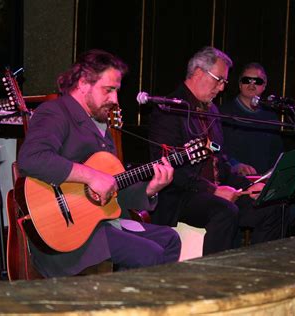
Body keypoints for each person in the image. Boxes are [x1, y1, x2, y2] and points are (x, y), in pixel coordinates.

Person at [17, 49, 181, 278]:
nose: (114, 100)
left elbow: (114, 190)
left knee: (170, 239)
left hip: (99, 225)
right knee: (150, 253)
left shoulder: (98, 127)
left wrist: (150, 189)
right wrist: (91, 176)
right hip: (66, 233)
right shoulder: (55, 112)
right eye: (109, 90)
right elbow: (31, 158)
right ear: (84, 83)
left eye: (116, 91)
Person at [148, 46, 285, 255]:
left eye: (224, 82)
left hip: (209, 192)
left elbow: (219, 162)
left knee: (272, 207)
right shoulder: (169, 109)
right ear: (198, 73)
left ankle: (256, 270)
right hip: (179, 197)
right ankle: (214, 276)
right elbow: (169, 169)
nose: (221, 88)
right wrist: (212, 190)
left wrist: (251, 185)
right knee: (225, 211)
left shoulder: (211, 110)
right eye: (218, 80)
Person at [221, 63, 284, 176]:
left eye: (257, 81)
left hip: (262, 183)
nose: (251, 84)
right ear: (240, 84)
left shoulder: (270, 116)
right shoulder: (223, 112)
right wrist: (235, 165)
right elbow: (217, 148)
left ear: (264, 86)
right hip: (232, 182)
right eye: (247, 80)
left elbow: (276, 152)